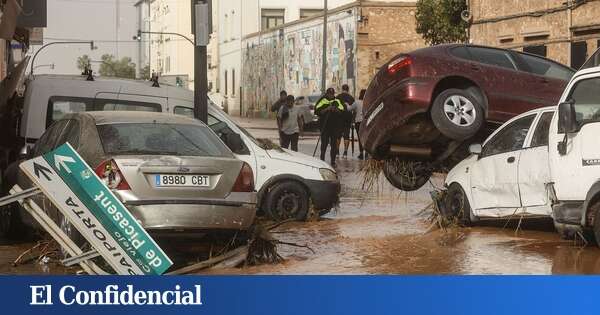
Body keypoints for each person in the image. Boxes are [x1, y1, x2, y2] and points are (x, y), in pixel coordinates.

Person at [315, 88, 345, 167]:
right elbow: (317, 111)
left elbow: (343, 111)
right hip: (324, 126)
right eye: (329, 94)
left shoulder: (337, 101)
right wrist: (326, 109)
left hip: (334, 127)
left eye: (332, 94)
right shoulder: (323, 100)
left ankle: (333, 161)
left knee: (334, 145)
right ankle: (322, 160)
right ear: (327, 94)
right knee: (324, 144)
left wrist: (336, 109)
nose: (331, 95)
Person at [336, 84, 355, 158]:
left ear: (342, 89)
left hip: (338, 119)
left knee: (338, 136)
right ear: (348, 89)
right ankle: (345, 152)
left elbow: (335, 108)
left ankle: (337, 152)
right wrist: (353, 120)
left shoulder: (338, 97)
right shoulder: (351, 98)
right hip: (348, 119)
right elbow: (354, 110)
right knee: (346, 136)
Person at [350, 89, 367, 160]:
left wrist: (346, 104)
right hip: (366, 121)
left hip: (358, 122)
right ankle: (367, 153)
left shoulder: (356, 102)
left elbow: (349, 109)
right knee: (366, 137)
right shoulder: (368, 101)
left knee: (360, 138)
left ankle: (361, 153)